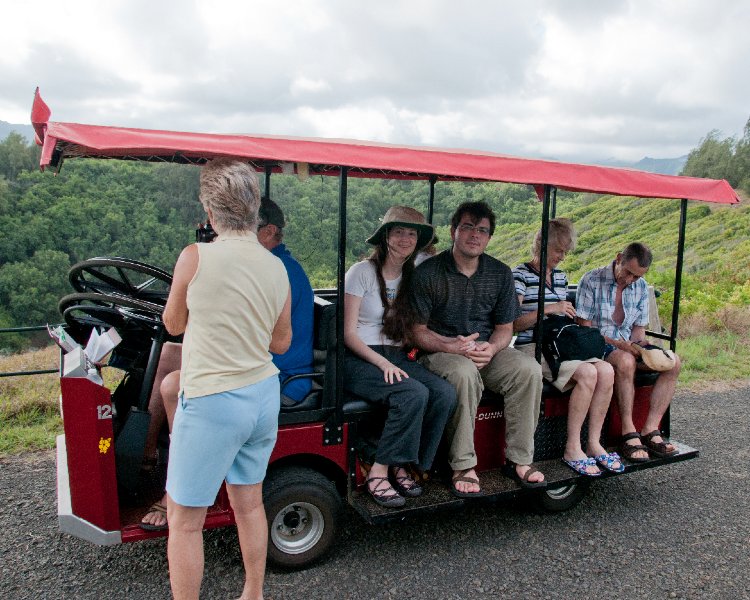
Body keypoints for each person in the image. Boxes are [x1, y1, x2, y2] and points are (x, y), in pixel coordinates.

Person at [139, 196, 314, 530]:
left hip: (280, 371)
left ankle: (177, 485)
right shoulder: (263, 263)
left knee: (173, 385)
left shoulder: (276, 269)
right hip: (257, 358)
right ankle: (147, 455)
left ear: (269, 231)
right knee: (165, 356)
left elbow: (268, 338)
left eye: (248, 227)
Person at [162, 158, 291, 600]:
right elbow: (281, 343)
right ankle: (252, 593)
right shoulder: (276, 266)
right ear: (254, 211)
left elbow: (174, 324)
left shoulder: (195, 256)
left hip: (213, 399)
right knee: (249, 504)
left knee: (184, 520)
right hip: (261, 397)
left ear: (210, 213)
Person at [407, 201, 546, 496]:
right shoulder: (428, 273)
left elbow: (504, 329)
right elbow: (417, 332)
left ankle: (519, 459)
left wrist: (492, 349)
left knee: (528, 369)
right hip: (440, 352)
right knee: (463, 372)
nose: (475, 235)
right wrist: (451, 346)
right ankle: (463, 464)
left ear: (489, 237)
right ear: (453, 231)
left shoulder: (499, 273)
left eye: (482, 230)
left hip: (485, 350)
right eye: (468, 227)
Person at [344, 206, 457, 508]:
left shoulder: (415, 272)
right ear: (386, 236)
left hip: (397, 354)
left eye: (412, 233)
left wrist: (455, 341)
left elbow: (449, 266)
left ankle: (407, 463)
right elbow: (348, 334)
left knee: (444, 393)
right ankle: (379, 469)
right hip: (361, 357)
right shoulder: (361, 273)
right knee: (413, 393)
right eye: (398, 231)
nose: (405, 238)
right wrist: (382, 363)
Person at [512, 218, 620, 476]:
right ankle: (572, 447)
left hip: (560, 346)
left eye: (565, 251)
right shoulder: (520, 274)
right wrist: (549, 309)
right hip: (533, 346)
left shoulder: (560, 277)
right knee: (588, 373)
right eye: (558, 250)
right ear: (542, 245)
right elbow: (514, 322)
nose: (562, 256)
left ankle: (593, 443)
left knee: (606, 370)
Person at [576, 242, 681, 463]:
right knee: (624, 360)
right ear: (618, 258)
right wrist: (621, 345)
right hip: (597, 343)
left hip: (627, 345)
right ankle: (627, 431)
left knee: (674, 362)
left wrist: (644, 348)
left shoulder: (641, 287)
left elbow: (638, 332)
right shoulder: (592, 280)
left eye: (636, 276)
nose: (630, 280)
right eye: (628, 273)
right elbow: (584, 329)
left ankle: (651, 429)